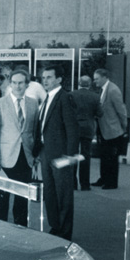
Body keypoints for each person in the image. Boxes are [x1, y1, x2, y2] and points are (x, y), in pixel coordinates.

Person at [33, 64, 79, 240]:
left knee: (63, 194)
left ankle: (65, 232)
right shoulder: (47, 98)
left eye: (49, 77)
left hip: (61, 155)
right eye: (43, 78)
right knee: (50, 193)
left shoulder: (65, 97)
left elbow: (72, 128)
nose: (45, 80)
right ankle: (55, 227)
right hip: (46, 153)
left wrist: (71, 155)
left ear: (59, 79)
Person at [0, 69, 39, 226]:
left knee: (22, 197)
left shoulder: (33, 103)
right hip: (5, 157)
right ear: (10, 84)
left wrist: (35, 155)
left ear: (27, 85)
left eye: (21, 83)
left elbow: (35, 131)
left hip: (26, 157)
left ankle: (20, 228)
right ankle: (0, 227)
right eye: (14, 83)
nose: (17, 86)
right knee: (2, 195)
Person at [92, 68, 127, 190]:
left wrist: (124, 126)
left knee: (111, 157)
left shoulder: (113, 90)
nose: (94, 81)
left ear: (104, 77)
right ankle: (103, 179)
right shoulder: (103, 89)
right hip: (104, 129)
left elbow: (121, 110)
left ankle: (111, 182)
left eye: (96, 79)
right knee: (104, 155)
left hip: (113, 130)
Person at [71, 75, 102, 190]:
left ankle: (72, 183)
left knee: (73, 155)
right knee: (85, 156)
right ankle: (85, 184)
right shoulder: (95, 96)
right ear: (90, 84)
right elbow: (100, 113)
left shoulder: (72, 95)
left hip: (74, 129)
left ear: (79, 83)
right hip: (88, 128)